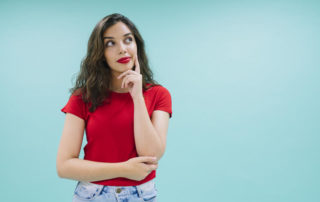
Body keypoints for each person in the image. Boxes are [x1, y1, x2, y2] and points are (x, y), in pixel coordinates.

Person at [56, 13, 172, 202]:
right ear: (100, 53)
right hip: (92, 195)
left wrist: (137, 98)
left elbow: (151, 155)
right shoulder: (82, 97)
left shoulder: (159, 95)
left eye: (128, 40)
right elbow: (64, 166)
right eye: (111, 43)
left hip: (141, 195)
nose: (122, 49)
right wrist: (124, 169)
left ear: (137, 45)